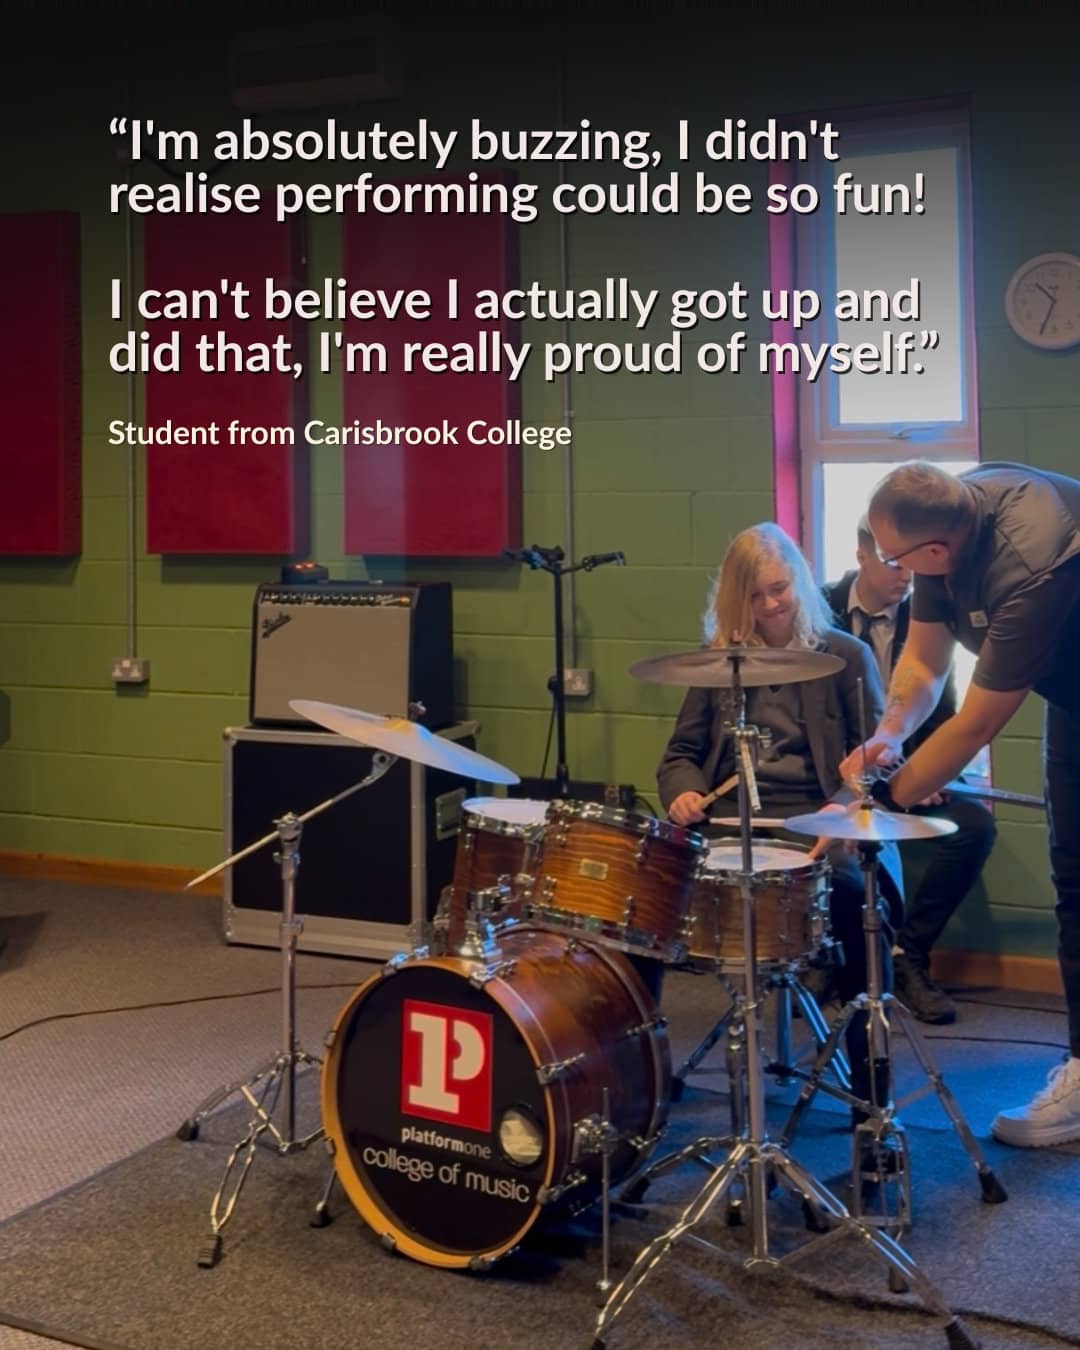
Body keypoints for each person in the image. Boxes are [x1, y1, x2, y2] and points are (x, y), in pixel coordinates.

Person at [838, 460, 1080, 1148]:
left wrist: (881, 802)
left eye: (896, 558)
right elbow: (923, 661)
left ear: (936, 551)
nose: (891, 567)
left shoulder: (1034, 565)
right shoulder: (946, 517)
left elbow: (974, 725)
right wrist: (888, 738)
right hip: (1075, 700)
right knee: (1076, 885)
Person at [658, 522, 904, 1132]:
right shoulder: (721, 664)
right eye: (757, 596)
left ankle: (872, 1094)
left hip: (819, 819)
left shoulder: (845, 657)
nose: (771, 605)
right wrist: (684, 791)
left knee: (854, 900)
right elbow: (679, 754)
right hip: (733, 822)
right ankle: (638, 1066)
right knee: (642, 896)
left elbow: (873, 758)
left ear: (797, 582)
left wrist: (843, 810)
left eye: (780, 590)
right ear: (735, 600)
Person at [824, 516, 997, 1024]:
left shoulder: (931, 615)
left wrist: (924, 776)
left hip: (904, 773)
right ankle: (837, 959)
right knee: (826, 827)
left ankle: (907, 956)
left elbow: (944, 715)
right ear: (861, 554)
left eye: (913, 564)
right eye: (893, 562)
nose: (906, 575)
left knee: (974, 828)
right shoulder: (818, 613)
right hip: (841, 776)